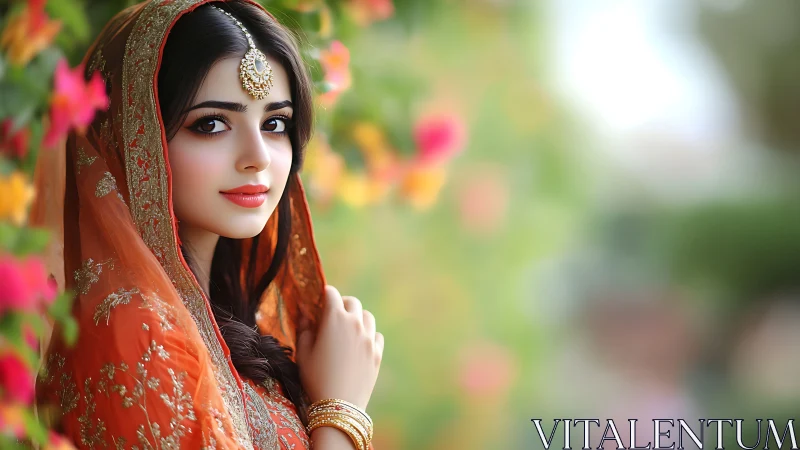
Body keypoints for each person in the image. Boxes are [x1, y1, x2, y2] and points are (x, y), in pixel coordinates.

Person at [32, 1, 384, 448]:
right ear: (131, 136)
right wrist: (340, 414)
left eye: (275, 123)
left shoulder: (233, 320)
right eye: (212, 124)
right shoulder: (137, 333)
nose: (257, 156)